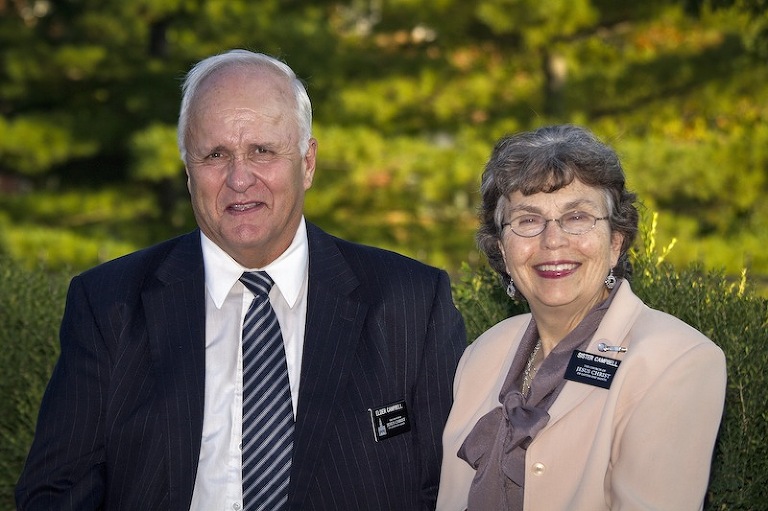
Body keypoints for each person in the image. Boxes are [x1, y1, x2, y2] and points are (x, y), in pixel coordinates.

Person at [16, 49, 466, 511]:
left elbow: (451, 488)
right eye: (215, 154)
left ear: (308, 163)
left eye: (262, 151)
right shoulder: (109, 305)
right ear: (188, 172)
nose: (239, 178)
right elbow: (56, 493)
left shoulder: (410, 303)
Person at [436, 124, 726, 510]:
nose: (552, 241)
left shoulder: (674, 361)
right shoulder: (481, 355)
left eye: (577, 218)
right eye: (527, 220)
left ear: (615, 244)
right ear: (502, 250)